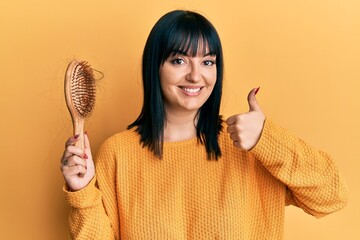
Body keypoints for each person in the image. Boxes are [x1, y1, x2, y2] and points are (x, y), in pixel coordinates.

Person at [60, 10, 347, 239]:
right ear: (154, 67)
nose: (196, 76)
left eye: (208, 62)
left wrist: (267, 139)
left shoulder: (249, 144)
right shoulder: (118, 153)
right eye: (179, 60)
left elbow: (331, 197)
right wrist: (82, 193)